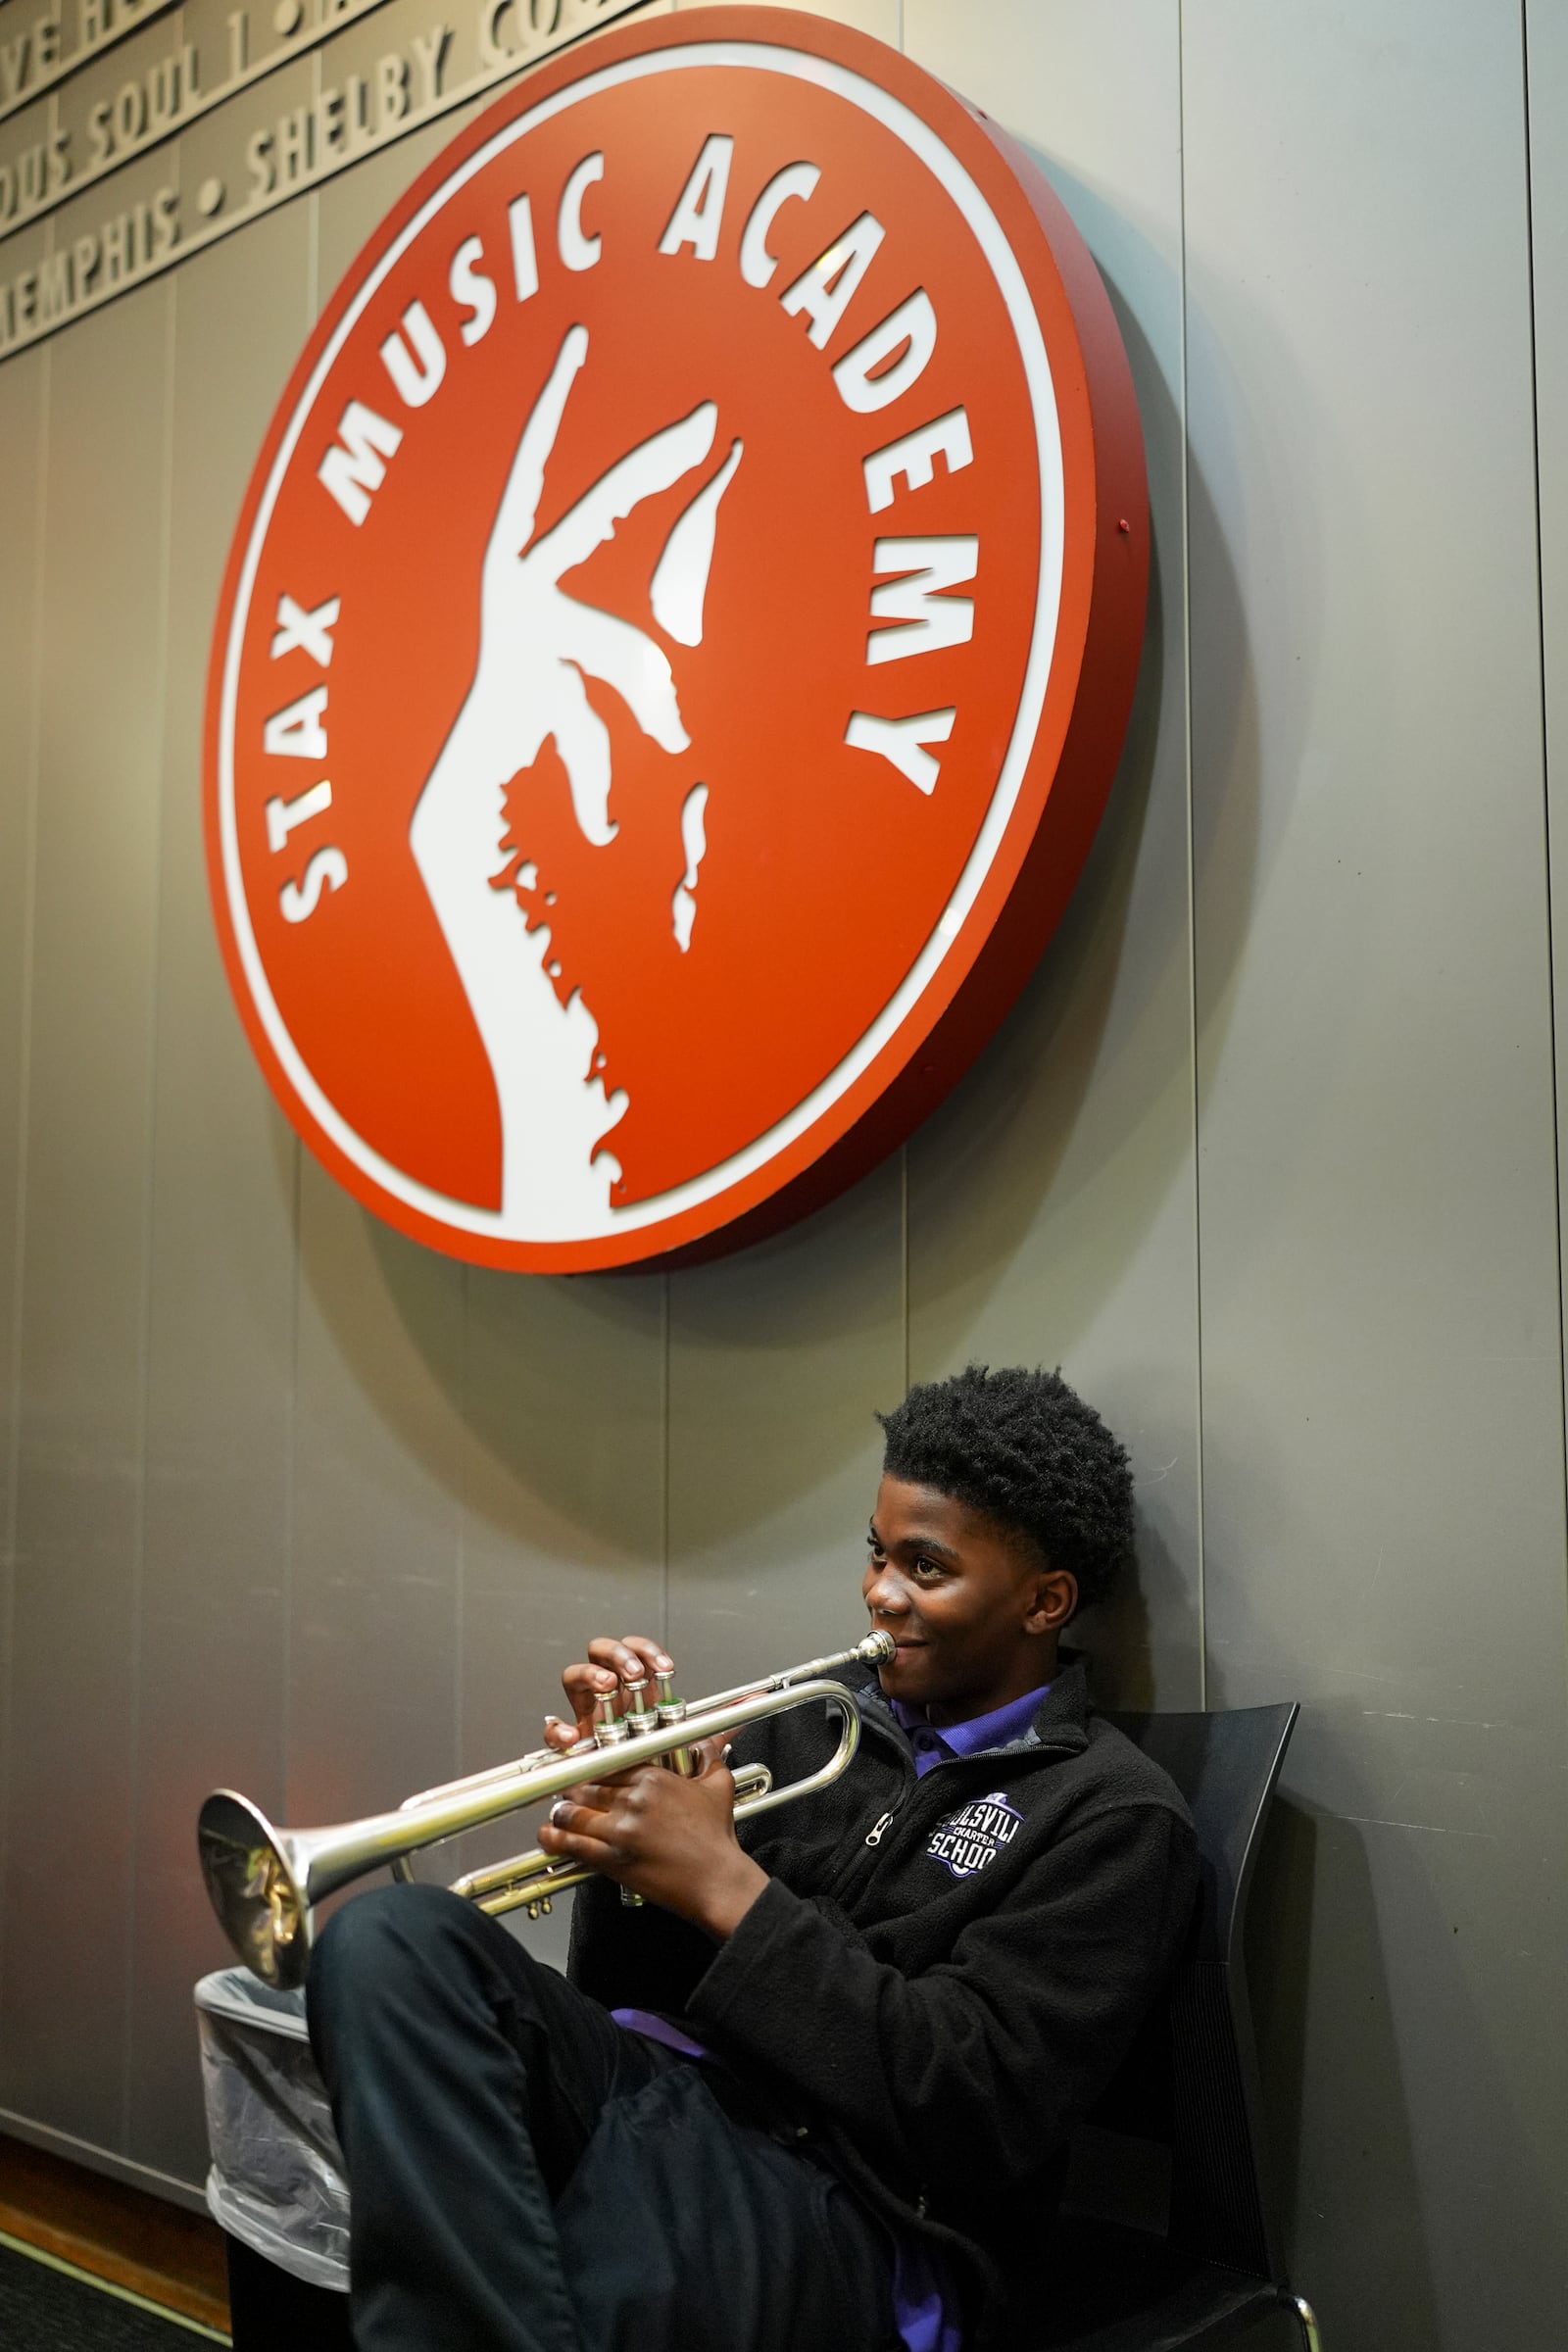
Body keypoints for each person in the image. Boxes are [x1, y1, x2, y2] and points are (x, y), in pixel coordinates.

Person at [307, 1365, 1198, 2352]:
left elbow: (972, 2110)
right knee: (388, 1941)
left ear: (1044, 1602)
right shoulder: (808, 1726)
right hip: (661, 2092)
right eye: (874, 1554)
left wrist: (726, 1883)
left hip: (857, 2201)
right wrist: (627, 1840)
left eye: (925, 1569)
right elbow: (619, 1990)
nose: (879, 1596)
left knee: (590, 2284)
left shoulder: (1110, 1817)